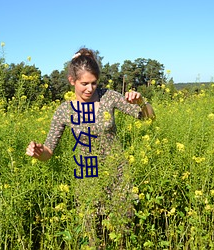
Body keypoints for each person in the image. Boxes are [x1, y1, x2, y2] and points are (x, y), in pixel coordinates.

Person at [26, 47, 155, 246]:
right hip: (87, 178)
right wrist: (38, 152)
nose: (90, 88)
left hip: (118, 174)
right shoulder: (64, 111)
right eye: (84, 83)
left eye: (94, 83)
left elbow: (148, 118)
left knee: (123, 233)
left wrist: (142, 102)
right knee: (92, 236)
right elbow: (49, 151)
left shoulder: (108, 97)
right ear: (72, 81)